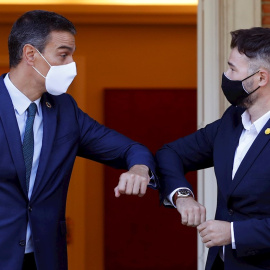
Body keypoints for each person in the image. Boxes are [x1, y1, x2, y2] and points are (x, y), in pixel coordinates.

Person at [1, 10, 157, 270]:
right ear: (30, 55)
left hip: (44, 260)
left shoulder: (65, 110)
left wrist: (139, 168)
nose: (71, 64)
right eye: (63, 54)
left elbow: (130, 148)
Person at [156, 27, 270, 270]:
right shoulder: (232, 120)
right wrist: (182, 196)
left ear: (261, 78)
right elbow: (170, 153)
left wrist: (234, 232)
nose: (226, 76)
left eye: (232, 69)